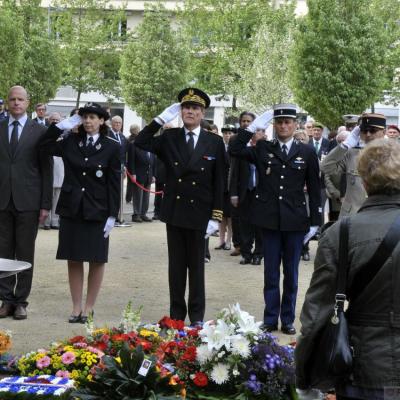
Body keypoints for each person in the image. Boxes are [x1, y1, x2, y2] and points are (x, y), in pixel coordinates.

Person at [296, 138, 400, 399]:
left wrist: (304, 376)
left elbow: (317, 313)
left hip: (363, 368)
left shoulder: (341, 233)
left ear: (363, 181)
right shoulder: (341, 233)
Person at [134, 87, 225, 326]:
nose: (190, 112)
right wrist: (159, 119)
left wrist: (216, 216)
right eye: (186, 108)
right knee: (175, 269)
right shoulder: (170, 137)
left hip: (200, 213)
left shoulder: (214, 142)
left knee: (196, 269)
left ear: (203, 112)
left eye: (194, 108)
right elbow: (141, 141)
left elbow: (220, 181)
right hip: (175, 212)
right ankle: (176, 316)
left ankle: (196, 318)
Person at [229, 104, 321, 335]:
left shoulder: (307, 152)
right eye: (279, 122)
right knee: (271, 273)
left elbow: (315, 187)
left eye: (288, 122)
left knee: (291, 274)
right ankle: (270, 318)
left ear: (295, 125)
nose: (283, 126)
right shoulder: (263, 148)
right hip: (269, 219)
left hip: (295, 220)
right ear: (274, 125)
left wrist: (315, 220)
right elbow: (235, 148)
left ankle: (287, 319)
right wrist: (253, 126)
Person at [39, 102, 121, 323]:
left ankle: (89, 307)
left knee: (96, 259)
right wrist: (62, 126)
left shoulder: (112, 146)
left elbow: (114, 183)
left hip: (98, 209)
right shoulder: (70, 141)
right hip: (72, 208)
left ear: (102, 120)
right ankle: (76, 307)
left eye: (93, 117)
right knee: (73, 258)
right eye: (84, 117)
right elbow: (43, 146)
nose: (87, 121)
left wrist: (113, 214)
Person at [0, 86, 52, 320]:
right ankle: (6, 300)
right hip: (2, 200)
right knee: (3, 252)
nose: (16, 103)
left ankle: (21, 301)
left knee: (25, 252)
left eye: (20, 99)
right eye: (12, 99)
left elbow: (46, 169)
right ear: (7, 103)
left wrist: (45, 203)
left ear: (28, 103)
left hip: (29, 201)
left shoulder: (40, 131)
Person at [321, 113, 386, 217]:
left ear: (384, 132)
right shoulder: (350, 153)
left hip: (381, 216)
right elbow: (325, 167)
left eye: (373, 130)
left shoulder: (394, 155)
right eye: (364, 131)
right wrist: (345, 145)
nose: (368, 134)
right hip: (352, 215)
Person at [229, 111, 256, 257]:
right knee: (239, 218)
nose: (246, 123)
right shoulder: (235, 140)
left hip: (256, 188)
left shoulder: (260, 139)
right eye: (243, 121)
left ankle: (254, 248)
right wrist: (233, 192)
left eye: (249, 121)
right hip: (241, 186)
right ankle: (239, 245)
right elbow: (233, 168)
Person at [215, 124, 235, 251]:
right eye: (225, 133)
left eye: (230, 133)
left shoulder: (235, 148)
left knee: (230, 216)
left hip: (231, 186)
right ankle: (221, 240)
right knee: (221, 215)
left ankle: (229, 241)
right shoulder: (219, 147)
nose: (227, 135)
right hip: (221, 185)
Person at [127, 134, 155, 223]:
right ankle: (136, 214)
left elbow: (154, 161)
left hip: (149, 175)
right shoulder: (134, 145)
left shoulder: (151, 146)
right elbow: (131, 161)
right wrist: (133, 173)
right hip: (138, 174)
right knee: (138, 195)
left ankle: (143, 214)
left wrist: (154, 175)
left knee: (146, 196)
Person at [44, 112, 64, 230]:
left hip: (60, 169)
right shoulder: (45, 133)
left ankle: (55, 221)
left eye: (57, 120)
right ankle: (46, 221)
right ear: (49, 121)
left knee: (57, 197)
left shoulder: (64, 134)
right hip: (48, 168)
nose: (55, 122)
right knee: (48, 196)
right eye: (53, 120)